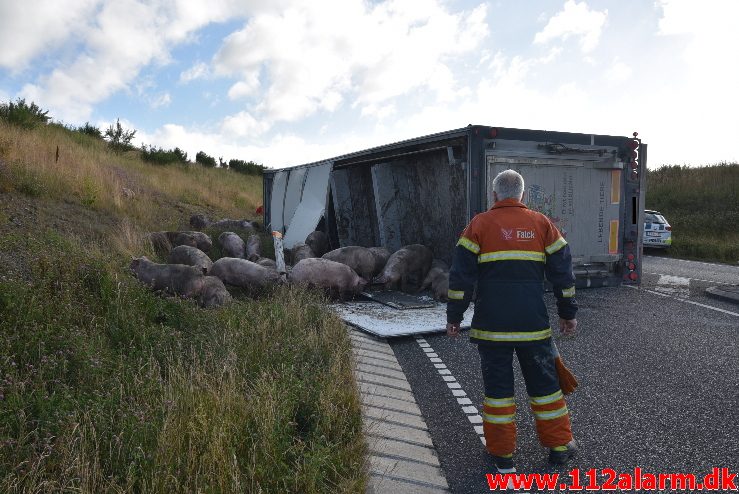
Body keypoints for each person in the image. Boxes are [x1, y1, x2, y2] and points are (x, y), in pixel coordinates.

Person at [446, 169, 578, 472]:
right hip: (534, 326)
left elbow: (460, 277)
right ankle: (559, 447)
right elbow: (563, 272)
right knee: (546, 388)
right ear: (523, 196)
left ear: (495, 195)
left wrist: (454, 316)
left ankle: (502, 453)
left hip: (492, 329)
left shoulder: (478, 225)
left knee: (498, 393)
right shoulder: (542, 224)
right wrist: (567, 313)